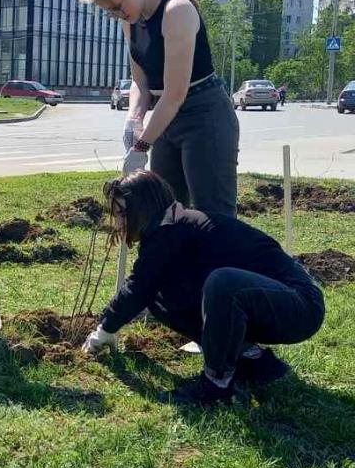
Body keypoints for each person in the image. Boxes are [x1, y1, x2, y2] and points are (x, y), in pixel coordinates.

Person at [82, 170, 325, 405]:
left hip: (299, 304)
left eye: (123, 214)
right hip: (274, 302)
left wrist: (103, 331)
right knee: (161, 296)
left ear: (143, 209)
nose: (118, 224)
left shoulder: (173, 231)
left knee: (223, 283)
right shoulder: (171, 229)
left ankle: (215, 387)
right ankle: (254, 361)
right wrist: (108, 325)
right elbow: (144, 287)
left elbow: (137, 287)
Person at [82, 0, 239, 215]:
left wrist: (142, 146)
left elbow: (175, 93)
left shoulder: (177, 11)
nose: (117, 15)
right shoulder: (130, 22)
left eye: (117, 6)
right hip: (166, 120)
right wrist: (134, 119)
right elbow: (140, 82)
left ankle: (224, 257)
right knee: (166, 212)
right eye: (110, 13)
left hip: (205, 116)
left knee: (214, 216)